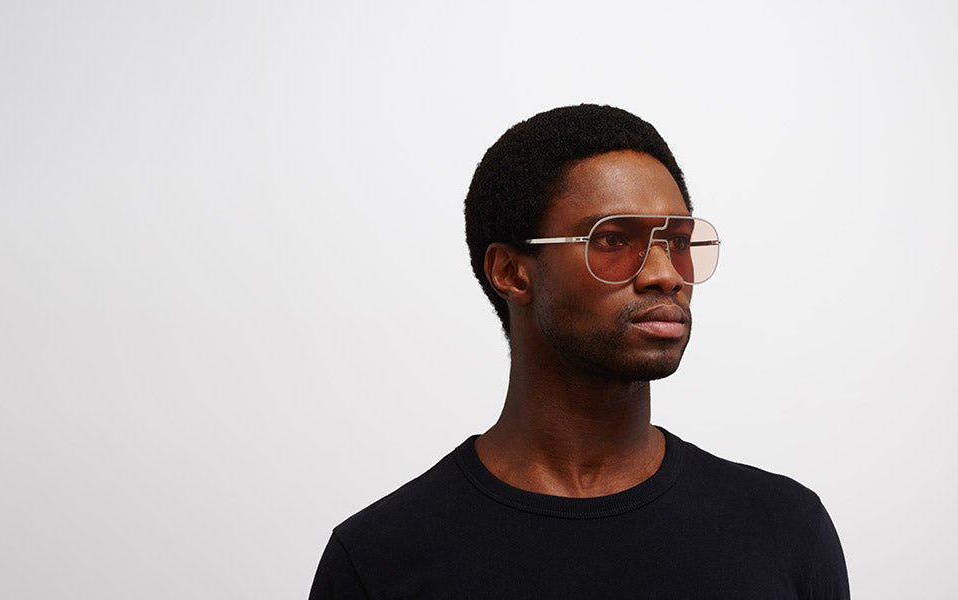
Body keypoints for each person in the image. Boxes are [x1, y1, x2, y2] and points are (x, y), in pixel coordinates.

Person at [309, 104, 850, 599]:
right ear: (511, 272)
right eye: (613, 240)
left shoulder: (784, 531)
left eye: (678, 242)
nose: (665, 274)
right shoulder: (379, 560)